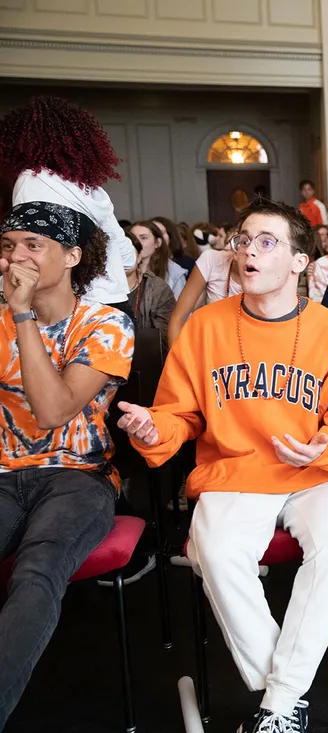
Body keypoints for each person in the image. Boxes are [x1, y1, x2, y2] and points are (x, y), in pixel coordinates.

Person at [116, 197, 328, 733]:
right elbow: (176, 417)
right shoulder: (204, 328)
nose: (249, 253)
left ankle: (279, 701)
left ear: (300, 261)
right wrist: (152, 429)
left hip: (315, 474)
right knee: (212, 550)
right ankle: (281, 700)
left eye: (266, 242)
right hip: (235, 471)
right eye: (243, 241)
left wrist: (325, 449)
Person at [0, 201, 135, 729]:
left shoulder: (105, 324)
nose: (18, 258)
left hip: (79, 477)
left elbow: (54, 410)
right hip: (6, 474)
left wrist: (22, 315)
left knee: (38, 570)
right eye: (9, 246)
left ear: (73, 255)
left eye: (35, 245)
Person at [0, 96, 135, 316]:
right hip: (116, 307)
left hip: (69, 311)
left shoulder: (32, 182)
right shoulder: (93, 191)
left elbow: (29, 255)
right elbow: (128, 258)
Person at [166, 245, 241, 346]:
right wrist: (177, 359)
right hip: (212, 349)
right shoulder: (212, 260)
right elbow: (178, 317)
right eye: (245, 241)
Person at [124, 230, 175, 341]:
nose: (124, 259)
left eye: (128, 253)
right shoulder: (95, 290)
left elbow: (166, 335)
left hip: (147, 355)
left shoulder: (158, 289)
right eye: (117, 255)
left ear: (139, 257)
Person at [130, 220, 188, 298]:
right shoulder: (122, 270)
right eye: (133, 238)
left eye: (144, 238)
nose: (137, 243)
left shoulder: (174, 272)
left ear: (158, 243)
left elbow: (180, 307)